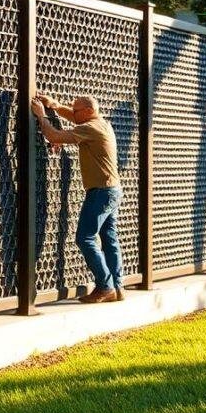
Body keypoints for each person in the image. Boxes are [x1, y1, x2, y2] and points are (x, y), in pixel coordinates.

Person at [29, 92, 124, 303]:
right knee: (109, 239)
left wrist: (42, 115)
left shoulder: (89, 128)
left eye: (76, 109)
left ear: (89, 111)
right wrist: (55, 105)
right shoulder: (102, 124)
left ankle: (105, 286)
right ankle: (117, 287)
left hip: (101, 192)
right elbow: (74, 119)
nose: (72, 113)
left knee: (85, 237)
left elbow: (53, 136)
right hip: (112, 190)